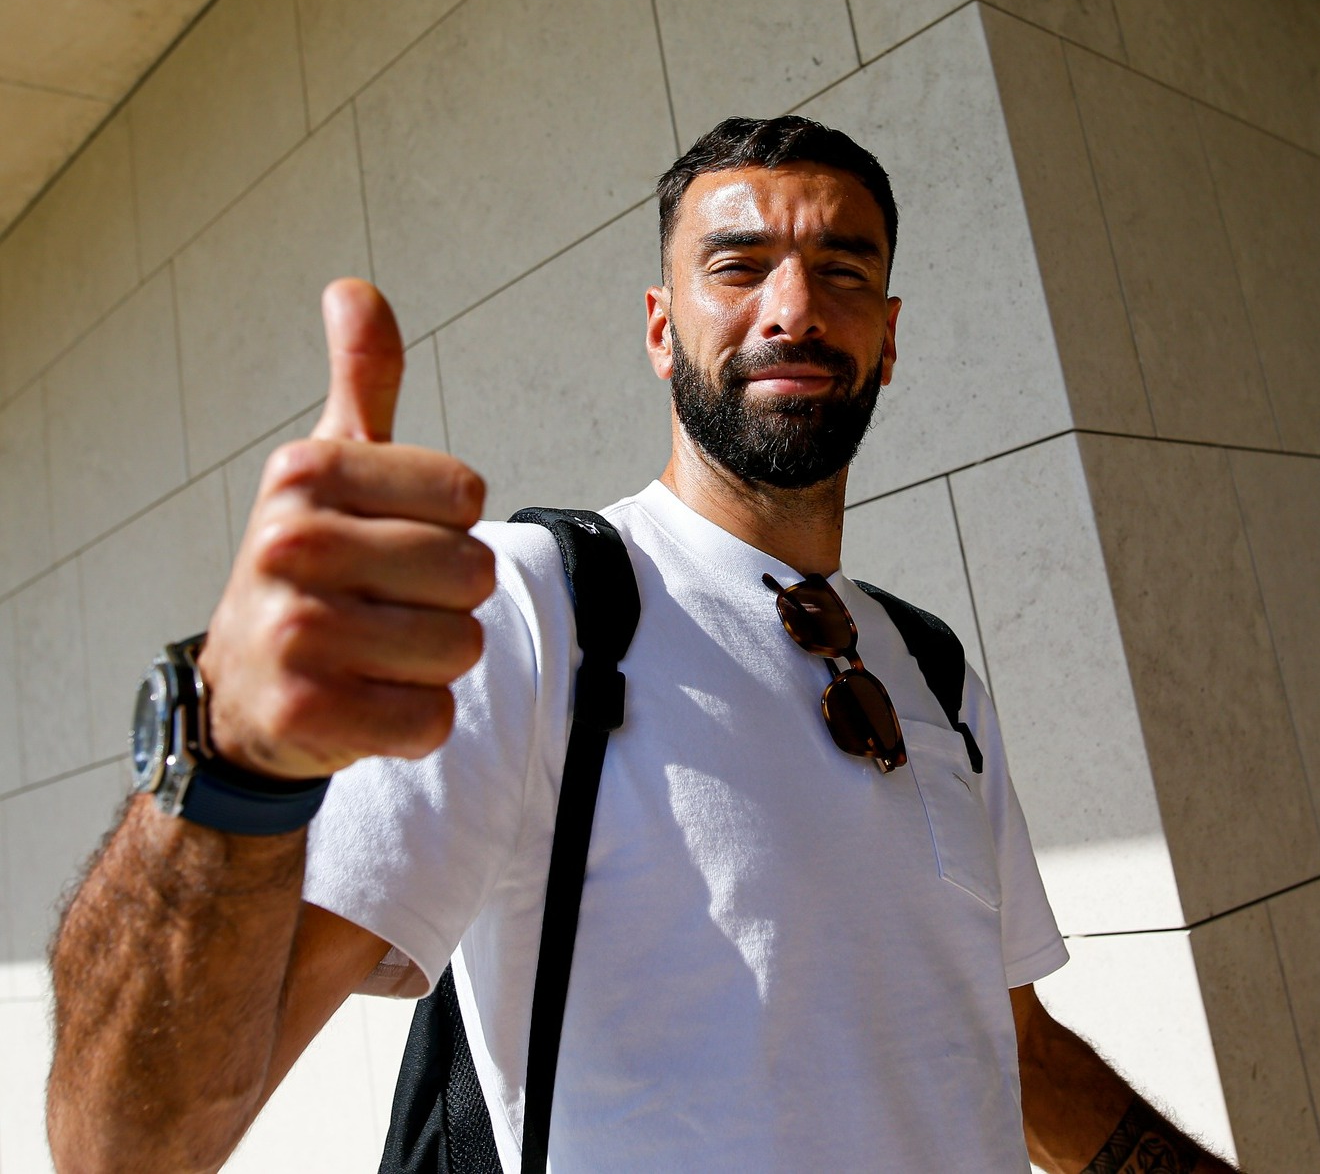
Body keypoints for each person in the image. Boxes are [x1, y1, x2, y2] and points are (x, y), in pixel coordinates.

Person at [47, 117, 1237, 1173]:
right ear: (662, 332)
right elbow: (131, 1145)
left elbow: (1013, 1046)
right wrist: (229, 760)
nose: (793, 308)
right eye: (738, 267)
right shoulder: (531, 605)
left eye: (843, 269)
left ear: (888, 334)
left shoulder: (929, 666)